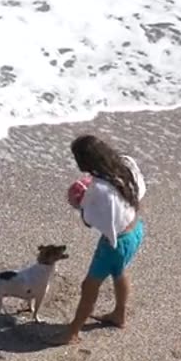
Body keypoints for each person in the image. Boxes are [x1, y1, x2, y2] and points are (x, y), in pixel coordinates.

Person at [62, 135, 146, 344]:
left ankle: (72, 333)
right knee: (119, 271)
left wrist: (80, 205)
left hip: (115, 243)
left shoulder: (99, 189)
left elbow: (92, 219)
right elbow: (138, 191)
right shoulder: (125, 164)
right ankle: (119, 314)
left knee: (89, 286)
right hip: (135, 229)